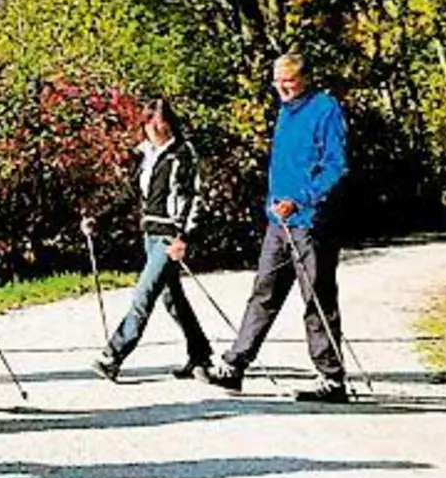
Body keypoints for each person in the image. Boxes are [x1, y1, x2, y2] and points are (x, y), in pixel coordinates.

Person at [205, 52, 352, 402]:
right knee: (263, 292)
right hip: (279, 221)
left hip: (310, 222)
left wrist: (302, 199)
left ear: (305, 78)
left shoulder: (325, 109)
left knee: (316, 298)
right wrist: (273, 202)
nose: (282, 87)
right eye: (277, 81)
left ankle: (331, 379)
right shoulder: (285, 112)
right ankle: (235, 365)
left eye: (288, 80)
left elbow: (336, 166)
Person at [85, 98, 214, 382]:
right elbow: (133, 193)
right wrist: (100, 219)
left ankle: (113, 355)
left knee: (144, 293)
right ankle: (200, 354)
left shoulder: (183, 153)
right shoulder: (146, 155)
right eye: (148, 121)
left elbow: (195, 197)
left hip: (170, 237)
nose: (153, 127)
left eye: (159, 121)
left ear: (170, 122)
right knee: (172, 299)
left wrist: (185, 237)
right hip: (150, 234)